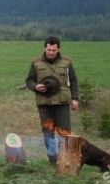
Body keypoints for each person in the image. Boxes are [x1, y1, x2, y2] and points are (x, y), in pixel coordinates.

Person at [25, 36, 79, 165]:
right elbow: (29, 80)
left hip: (62, 103)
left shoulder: (67, 62)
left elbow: (73, 80)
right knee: (48, 133)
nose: (51, 52)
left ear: (58, 49)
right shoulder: (36, 63)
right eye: (49, 49)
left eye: (53, 50)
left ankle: (66, 161)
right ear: (45, 48)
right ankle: (53, 161)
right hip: (44, 103)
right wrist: (35, 87)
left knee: (65, 133)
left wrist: (75, 98)